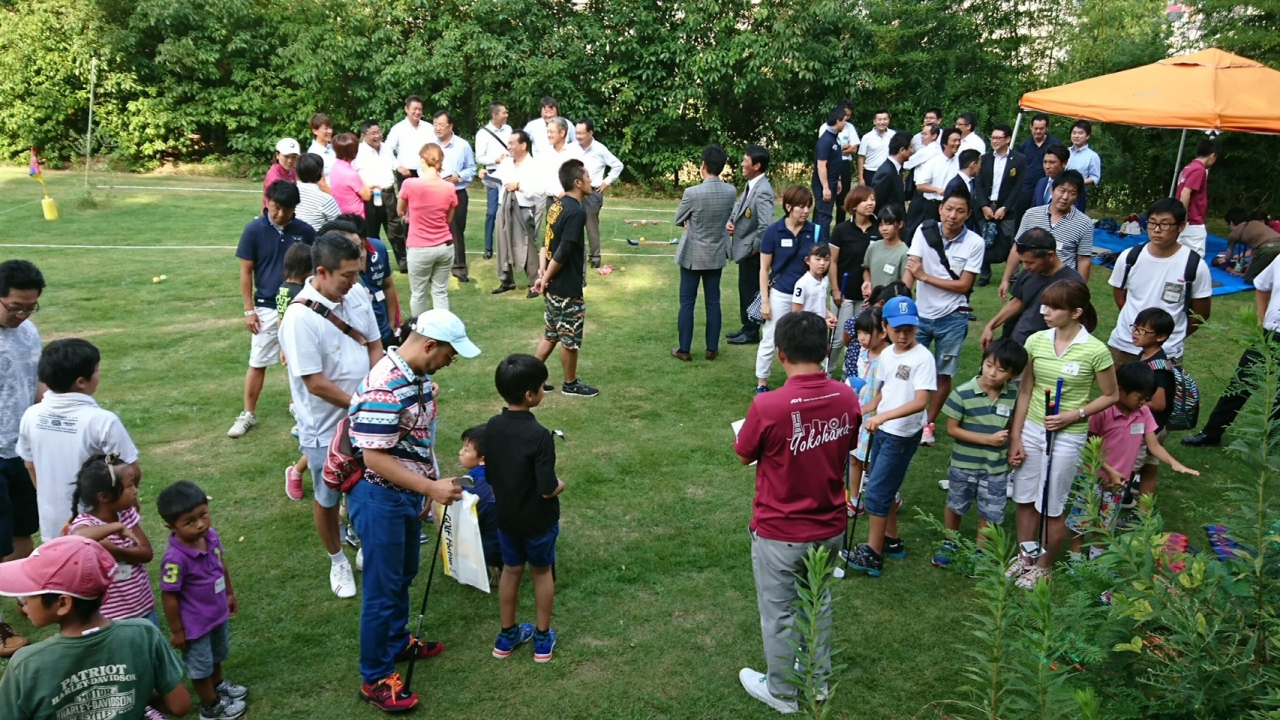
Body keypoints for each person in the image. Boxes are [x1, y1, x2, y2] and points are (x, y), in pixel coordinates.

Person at [347, 310, 475, 711]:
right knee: (382, 591)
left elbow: (416, 439)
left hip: (403, 495)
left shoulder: (416, 377)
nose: (451, 362)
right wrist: (429, 487)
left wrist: (425, 486)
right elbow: (374, 458)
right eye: (450, 355)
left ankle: (397, 641)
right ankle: (376, 678)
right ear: (429, 345)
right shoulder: (385, 387)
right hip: (379, 498)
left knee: (403, 574)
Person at [733, 311, 861, 713]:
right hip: (830, 524)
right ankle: (816, 681)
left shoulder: (768, 405)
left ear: (781, 354)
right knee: (818, 602)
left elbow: (744, 453)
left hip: (780, 529)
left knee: (779, 613)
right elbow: (848, 442)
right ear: (825, 351)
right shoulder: (847, 396)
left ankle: (783, 692)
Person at [278, 233, 382, 600]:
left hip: (367, 414)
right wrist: (362, 405)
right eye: (347, 275)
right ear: (321, 272)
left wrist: (378, 393)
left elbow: (374, 345)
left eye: (357, 273)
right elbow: (315, 383)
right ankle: (337, 559)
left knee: (371, 485)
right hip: (324, 427)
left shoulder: (357, 293)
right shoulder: (299, 318)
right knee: (328, 496)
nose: (354, 282)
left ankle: (365, 544)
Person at [0, 535, 191, 720]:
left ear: (63, 603)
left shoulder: (26, 665)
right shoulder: (144, 633)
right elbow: (179, 705)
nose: (22, 600)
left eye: (30, 592)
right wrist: (134, 693)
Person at [1007, 280, 1118, 588]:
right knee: (1025, 497)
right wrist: (1016, 437)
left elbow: (1111, 395)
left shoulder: (1096, 350)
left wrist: (1074, 414)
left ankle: (1044, 566)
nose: (1045, 312)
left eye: (1054, 307)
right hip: (1032, 429)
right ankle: (1025, 557)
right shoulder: (1036, 341)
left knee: (1051, 504)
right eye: (1045, 305)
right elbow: (1025, 390)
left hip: (1068, 436)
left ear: (1076, 312)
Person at [1065, 362, 1198, 554]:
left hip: (1118, 482)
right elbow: (1088, 446)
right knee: (1081, 520)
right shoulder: (1102, 411)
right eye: (1140, 397)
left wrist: (1174, 463)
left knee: (1105, 523)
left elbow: (1154, 445)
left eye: (1147, 398)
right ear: (1120, 390)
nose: (1143, 403)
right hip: (1092, 477)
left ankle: (1095, 558)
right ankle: (1075, 559)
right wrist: (1109, 471)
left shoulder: (1143, 413)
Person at [18, 338, 141, 545]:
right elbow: (131, 470)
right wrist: (130, 499)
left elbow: (30, 464)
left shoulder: (31, 415)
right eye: (97, 370)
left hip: (53, 524)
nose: (99, 374)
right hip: (100, 526)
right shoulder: (103, 421)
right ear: (81, 382)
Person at [846, 297, 934, 577]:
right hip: (884, 429)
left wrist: (882, 417)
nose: (904, 335)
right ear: (885, 327)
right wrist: (864, 410)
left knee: (876, 492)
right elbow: (886, 392)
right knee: (886, 485)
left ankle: (873, 554)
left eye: (909, 329)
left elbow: (920, 401)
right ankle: (891, 540)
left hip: (902, 434)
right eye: (897, 330)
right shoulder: (886, 355)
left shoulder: (923, 358)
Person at [487, 353, 566, 664]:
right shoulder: (539, 436)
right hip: (538, 521)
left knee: (511, 570)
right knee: (542, 572)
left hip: (507, 518)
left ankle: (507, 635)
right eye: (543, 387)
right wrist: (560, 485)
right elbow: (546, 488)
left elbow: (491, 474)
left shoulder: (492, 427)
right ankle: (542, 639)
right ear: (530, 395)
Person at [228, 180, 317, 438]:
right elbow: (246, 272)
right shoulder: (254, 230)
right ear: (268, 202)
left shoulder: (306, 231)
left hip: (299, 306)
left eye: (286, 209)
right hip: (266, 306)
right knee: (258, 361)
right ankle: (248, 413)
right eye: (275, 207)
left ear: (294, 208)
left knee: (300, 360)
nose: (279, 214)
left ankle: (298, 407)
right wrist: (249, 310)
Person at [156, 481, 248, 720]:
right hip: (195, 626)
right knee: (200, 667)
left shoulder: (211, 536)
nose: (200, 524)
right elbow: (169, 595)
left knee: (216, 654)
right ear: (171, 526)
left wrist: (229, 593)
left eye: (203, 515)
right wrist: (177, 631)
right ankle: (210, 706)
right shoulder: (174, 559)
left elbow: (220, 565)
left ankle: (217, 686)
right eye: (189, 522)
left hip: (216, 614)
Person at [932, 339, 1027, 567]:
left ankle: (981, 551)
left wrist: (1013, 447)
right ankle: (950, 542)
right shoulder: (962, 393)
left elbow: (1013, 426)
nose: (992, 373)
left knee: (990, 510)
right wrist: (987, 440)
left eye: (1001, 370)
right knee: (956, 504)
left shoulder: (1013, 395)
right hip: (964, 464)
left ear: (1013, 375)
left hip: (996, 467)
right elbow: (952, 429)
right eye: (989, 365)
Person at [902, 188, 984, 446]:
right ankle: (904, 416)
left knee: (942, 373)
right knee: (908, 367)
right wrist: (903, 298)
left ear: (968, 214)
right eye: (948, 209)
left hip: (953, 317)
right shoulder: (924, 231)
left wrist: (924, 277)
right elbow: (911, 266)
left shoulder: (975, 243)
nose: (953, 215)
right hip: (920, 314)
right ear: (940, 209)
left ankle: (928, 423)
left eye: (960, 211)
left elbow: (964, 285)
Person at [1184, 254, 1280, 447]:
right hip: (1269, 335)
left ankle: (1272, 443)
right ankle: (1211, 433)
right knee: (1240, 384)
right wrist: (1260, 319)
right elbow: (1262, 286)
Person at [1107, 198, 1212, 366]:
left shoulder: (1194, 266)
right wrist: (1139, 329)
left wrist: (1172, 337)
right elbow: (1120, 297)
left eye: (1165, 224)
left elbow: (1202, 313)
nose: (1156, 230)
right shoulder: (1129, 258)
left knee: (1161, 384)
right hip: (1124, 346)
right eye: (1152, 223)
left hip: (1166, 352)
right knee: (1117, 384)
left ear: (1181, 226)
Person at [532, 160, 599, 397]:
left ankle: (531, 381)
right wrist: (546, 277)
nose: (591, 181)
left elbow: (546, 241)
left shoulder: (556, 206)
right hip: (566, 286)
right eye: (588, 177)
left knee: (551, 334)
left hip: (553, 285)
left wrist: (542, 272)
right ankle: (570, 384)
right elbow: (563, 250)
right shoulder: (576, 212)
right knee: (569, 338)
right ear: (578, 182)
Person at [67, 454, 153, 623]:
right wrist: (116, 527)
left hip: (143, 607)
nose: (135, 490)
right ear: (104, 497)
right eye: (130, 486)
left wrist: (116, 551)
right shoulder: (87, 524)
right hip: (112, 618)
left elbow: (146, 553)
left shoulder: (126, 514)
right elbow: (78, 536)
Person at [673, 145, 737, 362]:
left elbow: (679, 218)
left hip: (693, 253)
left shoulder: (692, 193)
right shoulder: (730, 191)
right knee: (713, 301)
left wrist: (691, 221)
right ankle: (712, 348)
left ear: (703, 165)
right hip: (716, 253)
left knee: (687, 302)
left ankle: (684, 349)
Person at [0, 259, 43, 581]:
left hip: (23, 451)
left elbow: (37, 384)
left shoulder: (28, 332)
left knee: (23, 529)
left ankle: (21, 595)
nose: (22, 315)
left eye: (30, 307)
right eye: (15, 307)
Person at [755, 186, 819, 394]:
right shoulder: (773, 231)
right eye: (801, 206)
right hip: (781, 292)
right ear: (789, 207)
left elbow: (821, 263)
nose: (806, 211)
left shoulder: (815, 231)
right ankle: (762, 382)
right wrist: (765, 301)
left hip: (807, 293)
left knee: (806, 337)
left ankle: (804, 380)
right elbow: (764, 269)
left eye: (809, 206)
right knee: (771, 337)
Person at [981, 228, 1084, 347]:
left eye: (1031, 262)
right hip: (1018, 342)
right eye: (1023, 262)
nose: (1026, 266)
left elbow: (1077, 322)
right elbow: (1018, 302)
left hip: (1046, 348)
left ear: (1050, 255)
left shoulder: (1072, 282)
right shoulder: (1030, 272)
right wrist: (991, 326)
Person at [1001, 170, 1094, 295]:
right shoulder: (1032, 215)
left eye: (1072, 193)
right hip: (1031, 279)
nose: (1065, 197)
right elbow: (1017, 248)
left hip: (1062, 286)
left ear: (1077, 196)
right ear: (1052, 190)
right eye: (1062, 190)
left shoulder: (1084, 223)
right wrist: (1006, 279)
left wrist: (1079, 290)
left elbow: (1083, 260)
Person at [399, 144, 458, 314]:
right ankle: (443, 328)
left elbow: (400, 210)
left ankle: (420, 329)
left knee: (419, 294)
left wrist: (408, 216)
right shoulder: (449, 187)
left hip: (420, 248)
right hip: (444, 246)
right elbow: (448, 219)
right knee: (440, 292)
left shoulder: (410, 184)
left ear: (423, 161)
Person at [726, 145, 775, 346]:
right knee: (745, 288)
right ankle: (746, 326)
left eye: (746, 160)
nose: (742, 163)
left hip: (753, 253)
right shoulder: (751, 185)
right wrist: (731, 221)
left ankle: (752, 331)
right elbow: (739, 207)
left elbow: (765, 225)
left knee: (752, 290)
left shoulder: (763, 191)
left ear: (757, 165)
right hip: (746, 250)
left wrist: (755, 248)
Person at [1128, 308, 1178, 499]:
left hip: (1150, 427)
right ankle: (1144, 512)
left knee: (1128, 468)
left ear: (1161, 336)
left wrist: (1130, 402)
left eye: (1142, 331)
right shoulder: (1144, 354)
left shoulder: (1158, 368)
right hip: (1154, 426)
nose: (1136, 333)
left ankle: (1118, 502)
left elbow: (1158, 404)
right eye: (1135, 328)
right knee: (1149, 468)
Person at [829, 186, 880, 372]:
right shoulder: (841, 230)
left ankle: (851, 373)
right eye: (865, 200)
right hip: (844, 293)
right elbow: (833, 261)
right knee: (838, 338)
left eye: (872, 199)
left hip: (867, 295)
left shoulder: (879, 228)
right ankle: (827, 370)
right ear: (854, 205)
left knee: (861, 338)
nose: (870, 203)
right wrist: (835, 290)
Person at [843, 307, 887, 509]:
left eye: (866, 333)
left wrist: (866, 409)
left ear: (883, 332)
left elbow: (887, 392)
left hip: (878, 418)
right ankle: (854, 500)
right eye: (859, 332)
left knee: (873, 463)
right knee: (854, 458)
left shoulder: (888, 357)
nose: (861, 337)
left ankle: (890, 497)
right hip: (859, 414)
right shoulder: (863, 352)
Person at [530, 117, 584, 278]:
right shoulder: (545, 153)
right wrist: (555, 193)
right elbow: (542, 177)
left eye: (552, 131)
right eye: (547, 131)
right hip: (551, 200)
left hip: (570, 202)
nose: (548, 135)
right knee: (551, 237)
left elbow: (579, 176)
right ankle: (548, 273)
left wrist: (565, 193)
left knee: (573, 237)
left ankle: (579, 275)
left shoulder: (574, 151)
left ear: (563, 133)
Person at [426, 111, 477, 283]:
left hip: (456, 192)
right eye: (435, 124)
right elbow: (421, 167)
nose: (437, 128)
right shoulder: (429, 145)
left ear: (450, 126)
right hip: (433, 192)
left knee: (456, 230)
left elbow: (471, 168)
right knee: (432, 228)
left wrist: (458, 176)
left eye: (441, 124)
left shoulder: (462, 145)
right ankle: (434, 266)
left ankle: (459, 267)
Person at [492, 130, 543, 294]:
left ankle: (534, 282)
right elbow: (496, 181)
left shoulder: (534, 165)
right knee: (502, 242)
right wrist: (486, 176)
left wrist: (519, 186)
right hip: (504, 207)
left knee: (526, 244)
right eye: (508, 143)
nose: (509, 147)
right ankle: (506, 280)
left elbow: (538, 191)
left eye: (512, 143)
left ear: (523, 145)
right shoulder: (506, 163)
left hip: (523, 208)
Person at [977, 124, 1028, 285]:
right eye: (993, 138)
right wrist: (984, 206)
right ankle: (984, 275)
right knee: (983, 240)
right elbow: (978, 183)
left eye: (998, 138)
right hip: (987, 205)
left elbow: (1018, 186)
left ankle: (1013, 276)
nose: (994, 141)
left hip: (1006, 207)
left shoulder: (1019, 159)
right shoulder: (984, 159)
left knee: (1009, 241)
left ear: (1007, 139)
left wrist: (1005, 208)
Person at [355, 121, 407, 273]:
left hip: (388, 194)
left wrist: (401, 168)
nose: (378, 136)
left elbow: (394, 163)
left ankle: (404, 262)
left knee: (396, 229)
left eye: (379, 132)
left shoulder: (386, 148)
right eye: (373, 133)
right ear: (364, 136)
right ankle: (374, 263)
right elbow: (354, 173)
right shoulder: (358, 151)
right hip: (371, 196)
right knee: (372, 231)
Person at [577, 118, 625, 269]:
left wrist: (606, 182)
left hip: (592, 193)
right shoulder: (571, 148)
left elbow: (618, 165)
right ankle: (576, 257)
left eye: (581, 133)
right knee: (574, 225)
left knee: (591, 226)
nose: (578, 136)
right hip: (575, 192)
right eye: (577, 133)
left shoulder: (600, 149)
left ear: (590, 133)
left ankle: (595, 257)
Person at [458, 425, 502, 576]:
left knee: (439, 505)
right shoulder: (513, 471)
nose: (460, 452)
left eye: (466, 450)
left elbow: (464, 521)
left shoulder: (472, 483)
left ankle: (490, 568)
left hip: (491, 550)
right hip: (518, 546)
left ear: (482, 458)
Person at [908, 127, 962, 238]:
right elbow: (920, 185)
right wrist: (937, 190)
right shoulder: (933, 162)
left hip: (952, 207)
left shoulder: (960, 162)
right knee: (931, 236)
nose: (957, 143)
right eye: (954, 140)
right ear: (945, 143)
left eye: (959, 140)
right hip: (932, 206)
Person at [476, 102, 513, 261]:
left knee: (508, 210)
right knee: (492, 212)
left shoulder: (509, 129)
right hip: (492, 172)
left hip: (509, 172)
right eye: (504, 113)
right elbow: (479, 157)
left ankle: (509, 245)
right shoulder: (483, 133)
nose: (506, 115)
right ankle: (488, 247)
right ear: (495, 115)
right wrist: (495, 160)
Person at [1175, 138, 1221, 256]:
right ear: (1213, 156)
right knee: (1196, 258)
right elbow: (1185, 192)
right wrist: (1184, 217)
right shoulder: (1199, 170)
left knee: (1177, 255)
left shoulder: (1188, 168)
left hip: (1183, 221)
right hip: (1192, 222)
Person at [819, 101, 859, 224]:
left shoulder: (850, 127)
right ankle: (819, 224)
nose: (847, 117)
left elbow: (854, 149)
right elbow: (825, 150)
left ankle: (839, 226)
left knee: (843, 199)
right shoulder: (825, 128)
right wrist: (843, 148)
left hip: (844, 165)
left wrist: (838, 150)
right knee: (825, 198)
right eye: (845, 114)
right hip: (829, 165)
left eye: (849, 115)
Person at [861, 205, 909, 300]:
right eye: (881, 225)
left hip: (891, 303)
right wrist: (867, 282)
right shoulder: (873, 247)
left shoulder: (904, 252)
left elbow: (904, 285)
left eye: (888, 224)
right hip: (873, 301)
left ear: (900, 224)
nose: (884, 228)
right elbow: (867, 269)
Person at [1220, 207, 1280, 283]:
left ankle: (1272, 283)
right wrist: (1248, 270)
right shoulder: (1256, 223)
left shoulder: (1233, 235)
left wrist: (1225, 260)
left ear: (1231, 223)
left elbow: (1229, 256)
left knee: (1250, 279)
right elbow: (1253, 253)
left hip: (1267, 248)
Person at [812, 107, 845, 239]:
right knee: (824, 217)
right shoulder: (825, 140)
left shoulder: (835, 138)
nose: (845, 124)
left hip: (832, 181)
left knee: (823, 215)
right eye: (844, 121)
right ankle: (823, 245)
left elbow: (835, 161)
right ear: (838, 121)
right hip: (823, 183)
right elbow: (821, 165)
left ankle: (816, 243)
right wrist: (825, 187)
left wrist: (838, 179)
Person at [385, 96, 433, 183]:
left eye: (420, 109)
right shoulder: (398, 129)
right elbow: (386, 149)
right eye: (414, 109)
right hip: (406, 173)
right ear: (406, 109)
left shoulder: (429, 128)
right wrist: (398, 166)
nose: (417, 112)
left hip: (426, 172)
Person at [1016, 113, 1061, 204]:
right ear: (1031, 127)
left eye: (1041, 128)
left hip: (1047, 186)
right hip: (1026, 188)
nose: (1038, 131)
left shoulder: (1055, 144)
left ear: (1047, 128)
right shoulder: (1024, 145)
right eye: (1035, 128)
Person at [791, 243, 837, 327]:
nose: (822, 263)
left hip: (820, 328)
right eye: (818, 259)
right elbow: (796, 313)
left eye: (826, 259)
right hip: (807, 329)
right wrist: (821, 323)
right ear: (807, 260)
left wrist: (828, 313)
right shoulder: (802, 284)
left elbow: (819, 304)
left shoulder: (825, 280)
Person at [294, 153, 341, 231]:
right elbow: (339, 225)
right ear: (320, 172)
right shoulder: (325, 199)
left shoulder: (290, 191)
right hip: (316, 237)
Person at [329, 133, 372, 219]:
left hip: (341, 212)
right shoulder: (350, 173)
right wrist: (361, 179)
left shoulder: (335, 166)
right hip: (355, 216)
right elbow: (367, 196)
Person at [945, 149, 987, 235]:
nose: (980, 167)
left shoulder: (971, 183)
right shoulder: (955, 185)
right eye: (980, 164)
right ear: (973, 164)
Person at [870, 133, 911, 213]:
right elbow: (878, 201)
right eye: (911, 147)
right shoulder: (886, 173)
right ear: (902, 150)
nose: (913, 151)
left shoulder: (896, 168)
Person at [1066, 120, 1101, 209]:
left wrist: (1078, 181)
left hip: (1077, 193)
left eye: (1080, 133)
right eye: (1074, 133)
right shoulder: (1066, 151)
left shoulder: (1092, 156)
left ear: (1087, 136)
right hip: (1060, 190)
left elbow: (1095, 177)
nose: (1076, 136)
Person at [858, 108, 895, 186]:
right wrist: (861, 178)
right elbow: (861, 157)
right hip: (871, 172)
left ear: (889, 120)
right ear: (874, 121)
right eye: (879, 119)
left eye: (885, 119)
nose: (882, 122)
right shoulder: (867, 137)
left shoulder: (893, 135)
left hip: (889, 172)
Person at [263, 138, 300, 210]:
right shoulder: (274, 177)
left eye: (294, 157)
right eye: (286, 156)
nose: (290, 160)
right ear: (277, 155)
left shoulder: (291, 171)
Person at [1029, 144, 1069, 210]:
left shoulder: (1072, 186)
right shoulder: (1041, 182)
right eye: (1045, 162)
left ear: (1064, 163)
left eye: (1052, 162)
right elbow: (1033, 208)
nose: (1047, 166)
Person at [308, 113, 336, 182]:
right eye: (326, 128)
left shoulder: (334, 148)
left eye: (330, 128)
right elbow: (320, 183)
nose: (330, 131)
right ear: (315, 131)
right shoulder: (313, 154)